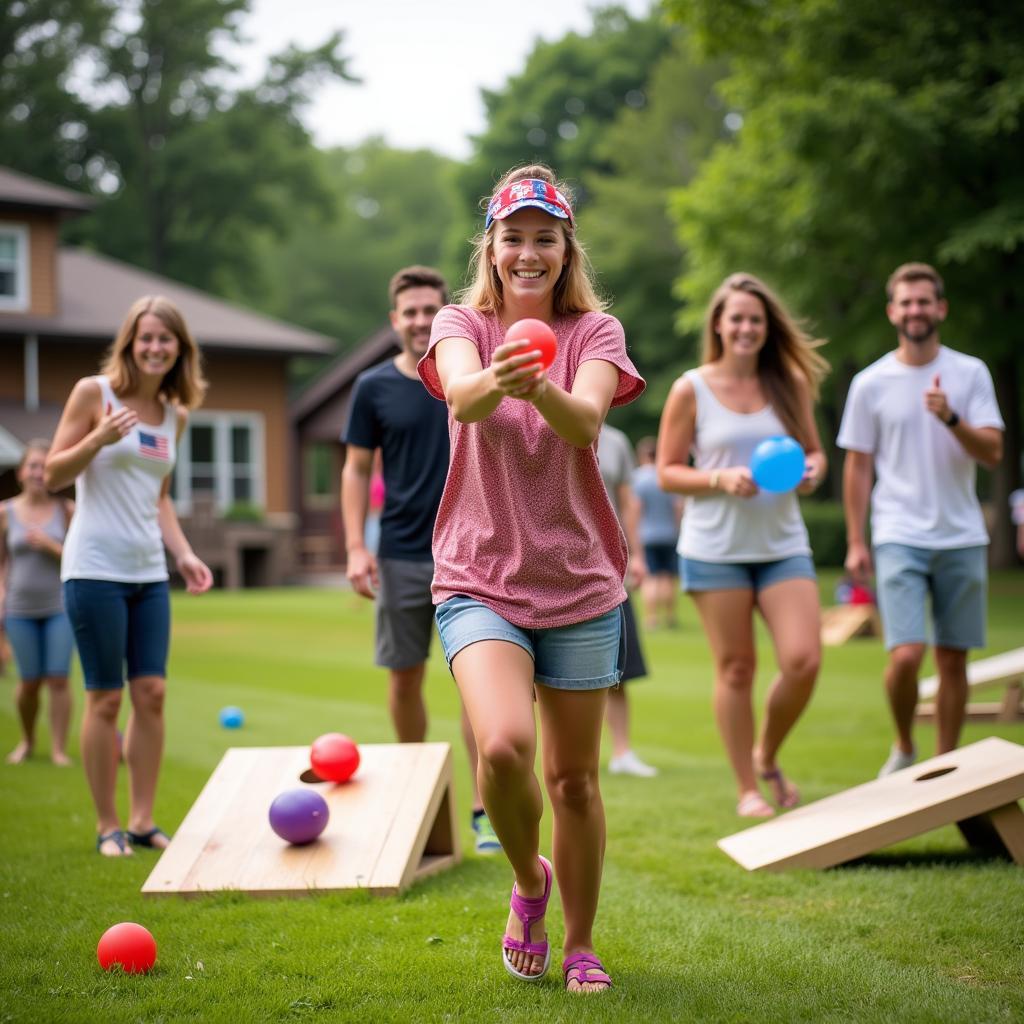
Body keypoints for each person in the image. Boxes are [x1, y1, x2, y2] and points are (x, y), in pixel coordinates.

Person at [418, 165, 644, 993]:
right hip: (478, 575)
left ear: (564, 248)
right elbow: (464, 401)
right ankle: (527, 882)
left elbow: (586, 420)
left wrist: (538, 380)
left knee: (575, 779)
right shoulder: (460, 322)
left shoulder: (597, 333)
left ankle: (581, 943)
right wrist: (502, 374)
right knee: (506, 745)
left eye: (544, 238)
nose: (528, 252)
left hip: (580, 579)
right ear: (493, 246)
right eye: (513, 237)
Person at [46, 295, 213, 856]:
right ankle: (106, 824)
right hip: (93, 568)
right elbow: (51, 474)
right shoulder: (95, 394)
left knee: (153, 693)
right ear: (129, 343)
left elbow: (159, 497)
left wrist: (184, 554)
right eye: (146, 337)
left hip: (148, 571)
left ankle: (142, 820)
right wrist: (98, 439)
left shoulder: (175, 415)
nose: (155, 348)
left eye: (166, 339)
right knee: (105, 700)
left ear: (179, 350)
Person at [657, 273, 828, 818]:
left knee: (803, 660)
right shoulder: (692, 387)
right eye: (737, 318)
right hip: (715, 549)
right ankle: (746, 788)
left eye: (756, 319)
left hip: (782, 543)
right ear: (719, 325)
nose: (747, 327)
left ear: (766, 326)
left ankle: (767, 754)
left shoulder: (791, 382)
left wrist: (813, 470)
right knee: (736, 669)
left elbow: (814, 452)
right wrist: (718, 479)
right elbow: (665, 472)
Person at [341, 266, 499, 854]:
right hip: (403, 553)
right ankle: (413, 795)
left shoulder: (473, 377)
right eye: (408, 311)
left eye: (430, 309)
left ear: (447, 312)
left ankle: (485, 812)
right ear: (393, 321)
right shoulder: (372, 388)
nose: (419, 320)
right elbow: (356, 469)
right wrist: (357, 545)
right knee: (404, 679)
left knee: (478, 689)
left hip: (477, 553)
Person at [838, 262, 1004, 776]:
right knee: (907, 655)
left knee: (953, 660)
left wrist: (951, 417)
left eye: (924, 301)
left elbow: (993, 451)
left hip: (961, 534)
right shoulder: (870, 383)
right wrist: (855, 540)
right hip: (898, 533)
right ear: (893, 312)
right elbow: (858, 467)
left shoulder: (970, 372)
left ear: (940, 308)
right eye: (905, 302)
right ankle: (906, 744)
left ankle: (946, 766)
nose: (915, 310)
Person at [1, 440, 75, 765]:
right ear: (20, 472)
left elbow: (79, 558)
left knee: (58, 678)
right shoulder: (5, 513)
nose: (38, 472)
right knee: (29, 681)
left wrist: (50, 545)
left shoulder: (66, 511)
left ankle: (58, 749)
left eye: (45, 466)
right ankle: (28, 741)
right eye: (33, 465)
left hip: (60, 605)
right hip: (19, 608)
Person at [596, 423, 657, 777]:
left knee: (620, 668)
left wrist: (636, 554)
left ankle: (622, 752)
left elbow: (628, 502)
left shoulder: (617, 440)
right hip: (551, 569)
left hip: (608, 567)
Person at [632, 436, 682, 630]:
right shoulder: (665, 476)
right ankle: (669, 617)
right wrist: (677, 529)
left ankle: (651, 618)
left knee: (650, 577)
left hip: (646, 534)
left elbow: (635, 508)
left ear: (643, 455)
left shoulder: (637, 478)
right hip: (669, 533)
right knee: (668, 577)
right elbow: (678, 506)